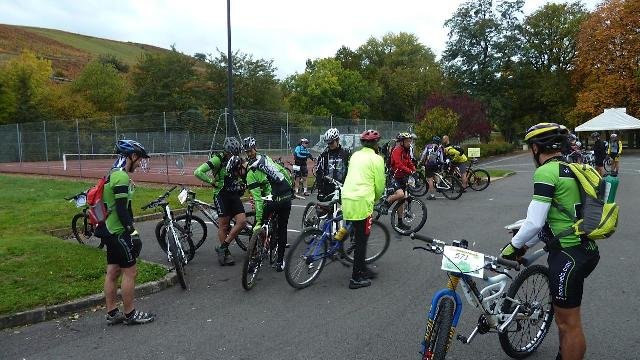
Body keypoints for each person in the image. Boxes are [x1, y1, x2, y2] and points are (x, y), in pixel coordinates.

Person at [500, 123, 599, 360]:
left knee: (569, 324)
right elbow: (550, 222)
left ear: (535, 148)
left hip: (568, 255)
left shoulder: (546, 172)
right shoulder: (573, 168)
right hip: (584, 249)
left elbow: (534, 222)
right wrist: (526, 244)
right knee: (563, 318)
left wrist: (513, 247)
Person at [100, 140, 155, 325]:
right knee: (130, 272)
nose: (140, 163)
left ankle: (112, 313)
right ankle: (130, 314)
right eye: (139, 159)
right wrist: (133, 233)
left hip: (109, 230)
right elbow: (123, 211)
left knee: (113, 271)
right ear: (132, 156)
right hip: (118, 232)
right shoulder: (121, 177)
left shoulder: (113, 173)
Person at [341, 129, 385, 289]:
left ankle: (339, 243)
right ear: (376, 144)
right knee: (361, 241)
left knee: (350, 226)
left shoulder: (355, 156)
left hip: (347, 197)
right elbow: (379, 184)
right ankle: (356, 278)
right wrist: (378, 198)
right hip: (362, 202)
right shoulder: (377, 159)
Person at [243, 136, 293, 271]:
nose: (249, 153)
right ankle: (280, 261)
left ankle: (253, 261)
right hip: (286, 195)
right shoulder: (266, 158)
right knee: (282, 229)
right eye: (248, 151)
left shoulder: (251, 172)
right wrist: (291, 189)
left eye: (249, 151)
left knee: (257, 226)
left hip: (273, 200)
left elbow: (258, 200)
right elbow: (282, 172)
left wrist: (258, 221)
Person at [194, 137, 244, 266]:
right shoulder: (217, 159)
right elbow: (198, 172)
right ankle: (226, 253)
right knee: (224, 226)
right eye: (231, 153)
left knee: (242, 222)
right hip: (221, 195)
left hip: (233, 194)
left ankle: (222, 247)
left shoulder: (237, 159)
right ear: (226, 151)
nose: (233, 156)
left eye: (236, 153)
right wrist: (211, 181)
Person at [376, 132, 415, 231]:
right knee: (401, 194)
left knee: (402, 200)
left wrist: (414, 170)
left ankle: (400, 222)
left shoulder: (406, 151)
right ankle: (386, 202)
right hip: (394, 176)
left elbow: (409, 162)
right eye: (407, 141)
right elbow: (398, 165)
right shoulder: (397, 150)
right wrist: (409, 171)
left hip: (402, 177)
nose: (409, 143)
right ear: (401, 142)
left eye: (410, 141)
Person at [315, 128, 350, 202]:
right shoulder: (324, 155)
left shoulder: (346, 153)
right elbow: (319, 173)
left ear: (337, 140)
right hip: (327, 188)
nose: (329, 145)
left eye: (331, 142)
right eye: (328, 143)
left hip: (343, 188)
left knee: (345, 212)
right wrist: (320, 190)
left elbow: (351, 170)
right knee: (324, 211)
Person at [419, 136, 444, 200]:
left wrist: (420, 161)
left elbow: (424, 154)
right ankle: (438, 186)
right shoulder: (440, 148)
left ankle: (432, 195)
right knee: (435, 175)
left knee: (430, 179)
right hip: (436, 165)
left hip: (429, 164)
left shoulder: (428, 146)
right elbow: (441, 158)